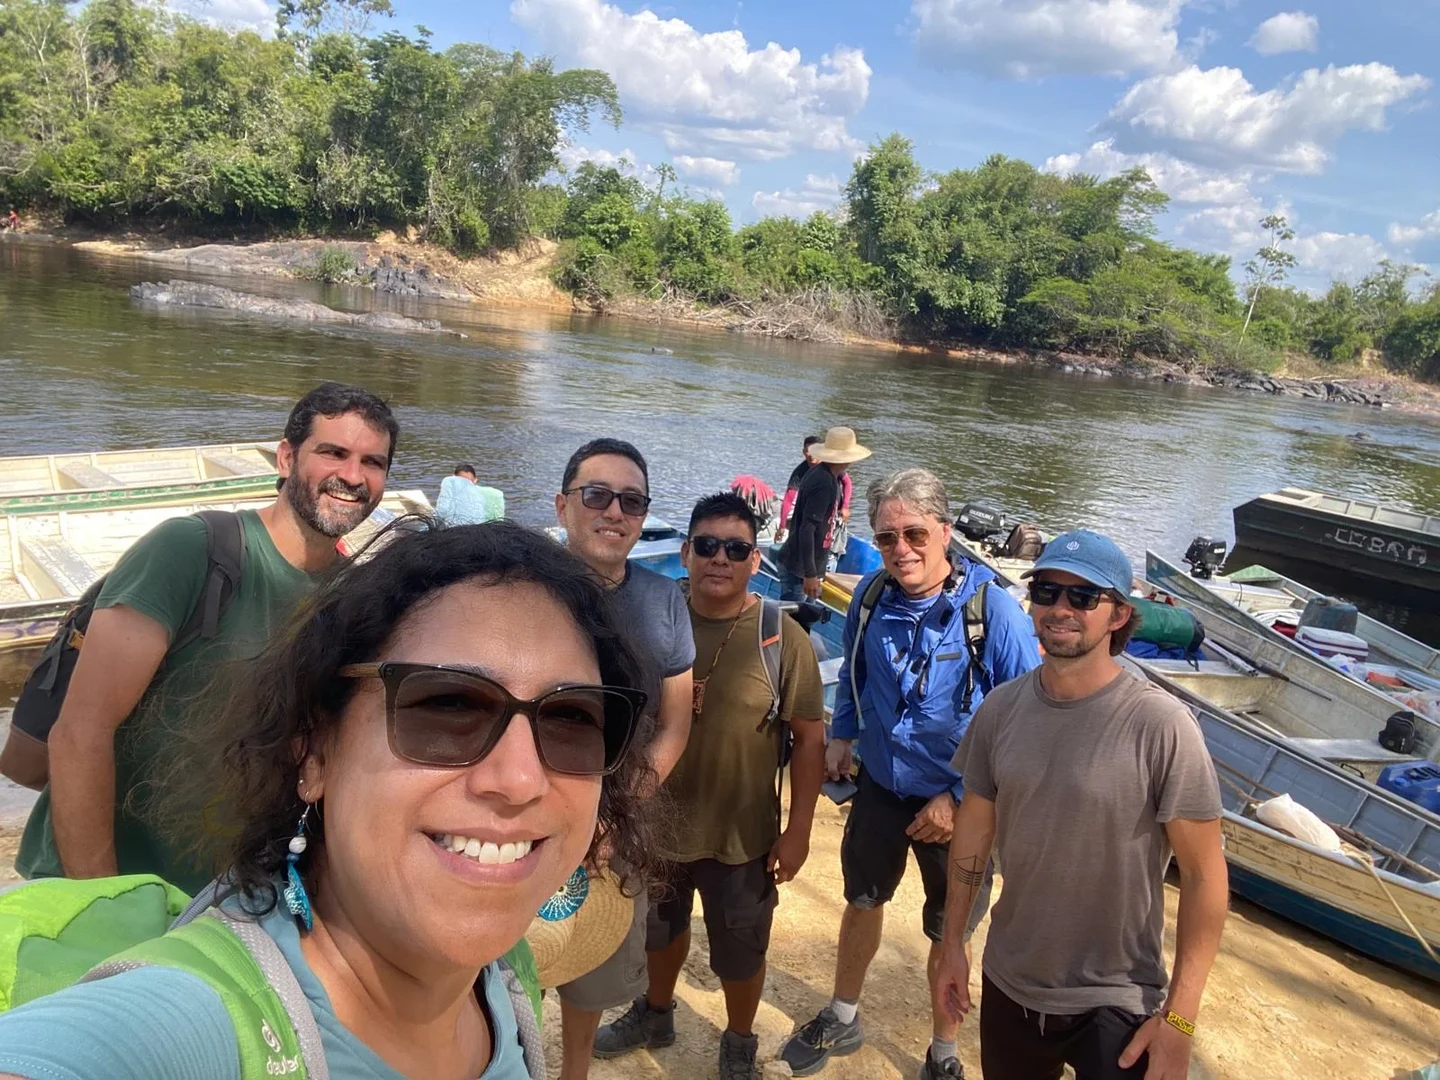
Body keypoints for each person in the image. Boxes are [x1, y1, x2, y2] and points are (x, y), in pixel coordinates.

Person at [0, 520, 660, 1079]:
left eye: (573, 717)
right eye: (448, 704)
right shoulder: (185, 1026)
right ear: (315, 753)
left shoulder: (503, 968)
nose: (519, 779)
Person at [15, 383, 398, 893]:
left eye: (372, 462)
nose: (352, 476)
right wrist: (102, 901)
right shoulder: (190, 551)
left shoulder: (350, 598)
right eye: (333, 452)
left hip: (222, 898)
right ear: (286, 457)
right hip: (95, 882)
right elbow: (80, 732)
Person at [936, 530, 1228, 1080]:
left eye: (1083, 597)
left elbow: (1204, 875)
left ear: (1118, 615)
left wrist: (1181, 1020)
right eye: (1046, 592)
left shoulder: (1161, 726)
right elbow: (973, 833)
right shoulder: (1000, 710)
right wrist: (953, 944)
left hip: (1116, 998)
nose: (1060, 609)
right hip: (1010, 981)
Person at [779, 468, 1041, 1080]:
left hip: (963, 807)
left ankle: (943, 1052)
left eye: (914, 533)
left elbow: (1024, 723)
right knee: (862, 899)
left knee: (949, 930)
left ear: (945, 532)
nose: (901, 549)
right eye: (888, 536)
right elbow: (855, 678)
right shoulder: (870, 599)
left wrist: (956, 796)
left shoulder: (992, 613)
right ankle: (843, 1015)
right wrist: (843, 733)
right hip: (882, 786)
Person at [593, 492, 826, 1079]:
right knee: (658, 929)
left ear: (755, 560)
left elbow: (810, 740)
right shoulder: (653, 617)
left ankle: (740, 1040)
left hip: (739, 833)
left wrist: (798, 832)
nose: (719, 558)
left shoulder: (780, 636)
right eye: (706, 545)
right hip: (656, 818)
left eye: (736, 548)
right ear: (687, 551)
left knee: (739, 950)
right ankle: (656, 1010)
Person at [553, 437, 696, 1080]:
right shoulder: (522, 587)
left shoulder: (664, 602)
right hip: (527, 809)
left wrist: (617, 813)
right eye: (598, 495)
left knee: (587, 970)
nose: (615, 511)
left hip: (616, 825)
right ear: (563, 506)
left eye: (632, 501)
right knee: (496, 960)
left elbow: (673, 726)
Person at [776, 427, 870, 601]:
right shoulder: (824, 483)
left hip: (806, 566)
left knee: (806, 617)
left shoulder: (824, 474)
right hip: (800, 569)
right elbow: (807, 529)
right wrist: (810, 574)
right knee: (793, 622)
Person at [775, 435, 822, 544]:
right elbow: (788, 499)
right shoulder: (800, 471)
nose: (811, 455)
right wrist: (782, 526)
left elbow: (846, 482)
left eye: (814, 451)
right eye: (807, 451)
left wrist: (845, 506)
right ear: (803, 452)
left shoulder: (829, 466)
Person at [437, 462, 506, 525]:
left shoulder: (488, 495)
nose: (465, 485)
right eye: (461, 481)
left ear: (475, 480)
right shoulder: (449, 494)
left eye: (468, 482)